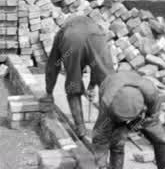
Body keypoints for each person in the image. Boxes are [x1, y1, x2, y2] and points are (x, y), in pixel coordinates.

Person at [45, 14, 115, 146]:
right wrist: (93, 84)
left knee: (73, 85)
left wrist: (49, 92)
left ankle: (81, 129)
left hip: (72, 40)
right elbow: (97, 66)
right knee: (108, 83)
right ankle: (107, 129)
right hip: (97, 37)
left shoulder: (62, 32)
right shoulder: (95, 26)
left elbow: (52, 66)